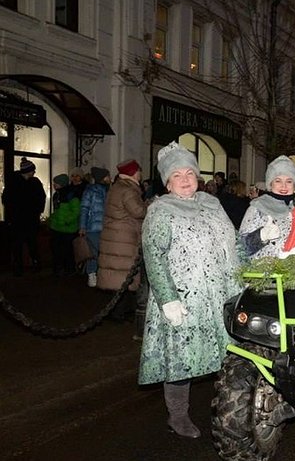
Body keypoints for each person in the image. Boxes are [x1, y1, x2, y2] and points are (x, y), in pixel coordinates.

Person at [138, 142, 242, 439]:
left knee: (227, 355)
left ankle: (229, 407)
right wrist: (168, 299)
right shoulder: (160, 210)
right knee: (180, 359)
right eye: (176, 175)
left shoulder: (212, 203)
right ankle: (178, 415)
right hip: (184, 297)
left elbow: (232, 240)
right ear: (167, 181)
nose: (184, 179)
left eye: (189, 173)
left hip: (219, 295)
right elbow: (153, 255)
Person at [98, 159, 147, 320]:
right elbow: (138, 211)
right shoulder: (128, 190)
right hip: (124, 238)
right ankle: (121, 313)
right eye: (139, 171)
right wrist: (152, 203)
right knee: (124, 276)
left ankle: (117, 312)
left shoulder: (117, 187)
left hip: (115, 237)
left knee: (117, 276)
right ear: (133, 173)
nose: (140, 174)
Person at [240, 155, 295, 259]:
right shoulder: (257, 207)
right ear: (270, 184)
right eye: (278, 181)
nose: (284, 186)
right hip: (264, 272)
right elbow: (241, 248)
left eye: (289, 181)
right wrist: (261, 236)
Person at [2, 158, 47, 276]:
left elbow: (6, 199)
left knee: (27, 243)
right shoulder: (29, 183)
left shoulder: (16, 182)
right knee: (23, 244)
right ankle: (26, 265)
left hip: (24, 219)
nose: (34, 172)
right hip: (22, 219)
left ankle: (26, 265)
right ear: (28, 171)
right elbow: (40, 198)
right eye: (33, 170)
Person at [79, 166, 111, 287]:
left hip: (105, 227)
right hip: (92, 227)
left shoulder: (108, 190)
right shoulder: (90, 191)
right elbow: (84, 209)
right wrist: (82, 226)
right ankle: (92, 274)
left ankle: (93, 275)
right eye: (107, 176)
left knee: (95, 252)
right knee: (96, 252)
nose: (110, 178)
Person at [48, 174, 80, 276]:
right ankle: (59, 269)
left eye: (56, 183)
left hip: (67, 227)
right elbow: (57, 210)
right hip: (57, 226)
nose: (54, 185)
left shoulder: (71, 195)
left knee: (67, 250)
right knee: (57, 250)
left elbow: (76, 211)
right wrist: (52, 220)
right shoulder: (57, 195)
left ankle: (69, 269)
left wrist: (67, 220)